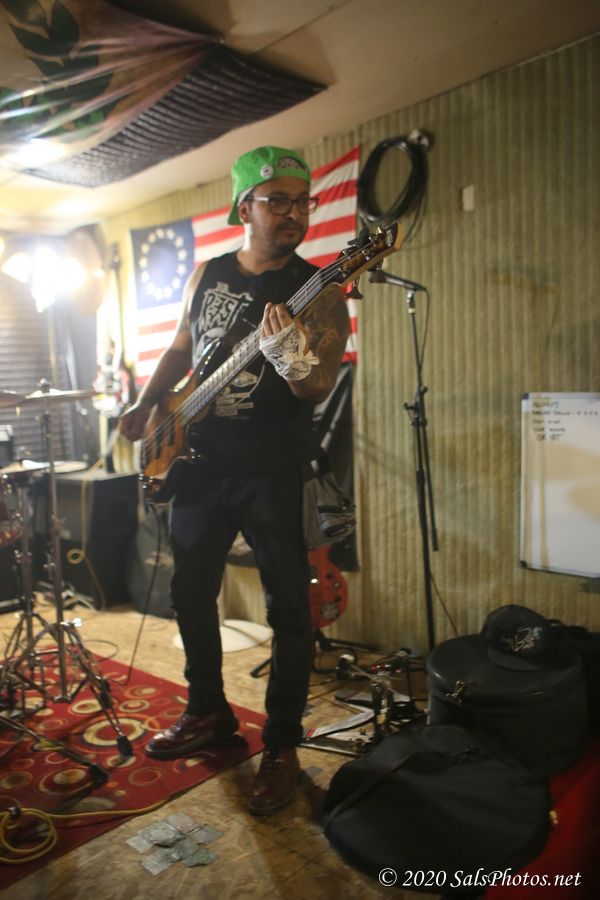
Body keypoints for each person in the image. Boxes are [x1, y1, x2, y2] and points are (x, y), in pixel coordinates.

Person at [119, 146, 349, 815]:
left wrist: (290, 354)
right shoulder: (208, 273)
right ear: (244, 206)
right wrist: (149, 404)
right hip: (197, 462)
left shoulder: (320, 288)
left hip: (272, 471)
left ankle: (281, 746)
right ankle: (208, 712)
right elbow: (181, 349)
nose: (294, 213)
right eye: (278, 201)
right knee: (189, 593)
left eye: (303, 202)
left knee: (289, 610)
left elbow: (317, 386)